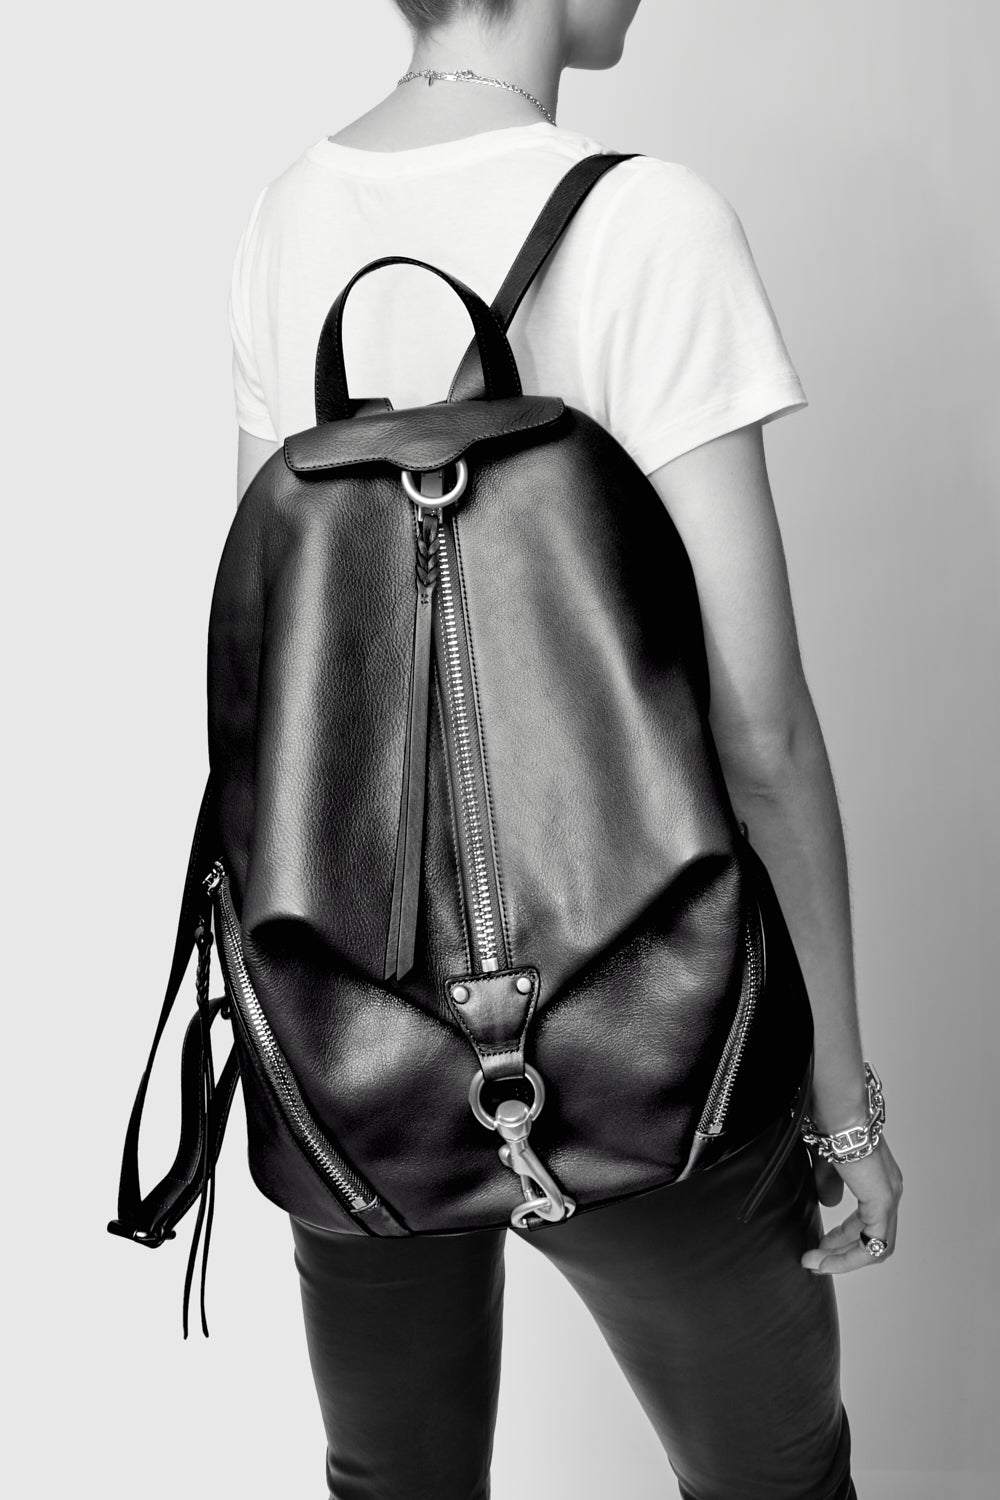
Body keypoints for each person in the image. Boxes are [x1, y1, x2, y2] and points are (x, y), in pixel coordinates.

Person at [227, 2, 903, 1496]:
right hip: (654, 1027)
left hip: (351, 1040)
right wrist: (841, 1100)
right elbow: (763, 733)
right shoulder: (650, 221)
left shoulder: (288, 219)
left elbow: (278, 694)